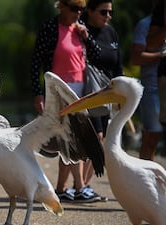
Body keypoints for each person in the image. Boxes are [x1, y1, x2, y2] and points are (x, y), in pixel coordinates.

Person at [30, 0, 102, 203]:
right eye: (73, 8)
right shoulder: (50, 28)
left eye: (81, 9)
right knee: (70, 138)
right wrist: (38, 93)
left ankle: (62, 188)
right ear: (60, 6)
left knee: (69, 139)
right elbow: (35, 62)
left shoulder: (81, 28)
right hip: (58, 91)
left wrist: (86, 37)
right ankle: (79, 187)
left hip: (82, 90)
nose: (78, 13)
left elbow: (97, 56)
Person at [80, 0, 122, 198]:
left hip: (109, 93)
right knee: (94, 137)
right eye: (103, 12)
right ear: (89, 11)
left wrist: (121, 95)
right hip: (88, 92)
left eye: (110, 12)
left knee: (102, 137)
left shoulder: (111, 32)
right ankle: (80, 186)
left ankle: (85, 185)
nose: (108, 16)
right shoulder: (81, 30)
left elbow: (117, 65)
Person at [130, 0, 166, 160]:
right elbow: (135, 58)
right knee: (151, 137)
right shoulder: (145, 25)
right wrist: (161, 55)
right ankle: (144, 177)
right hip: (152, 89)